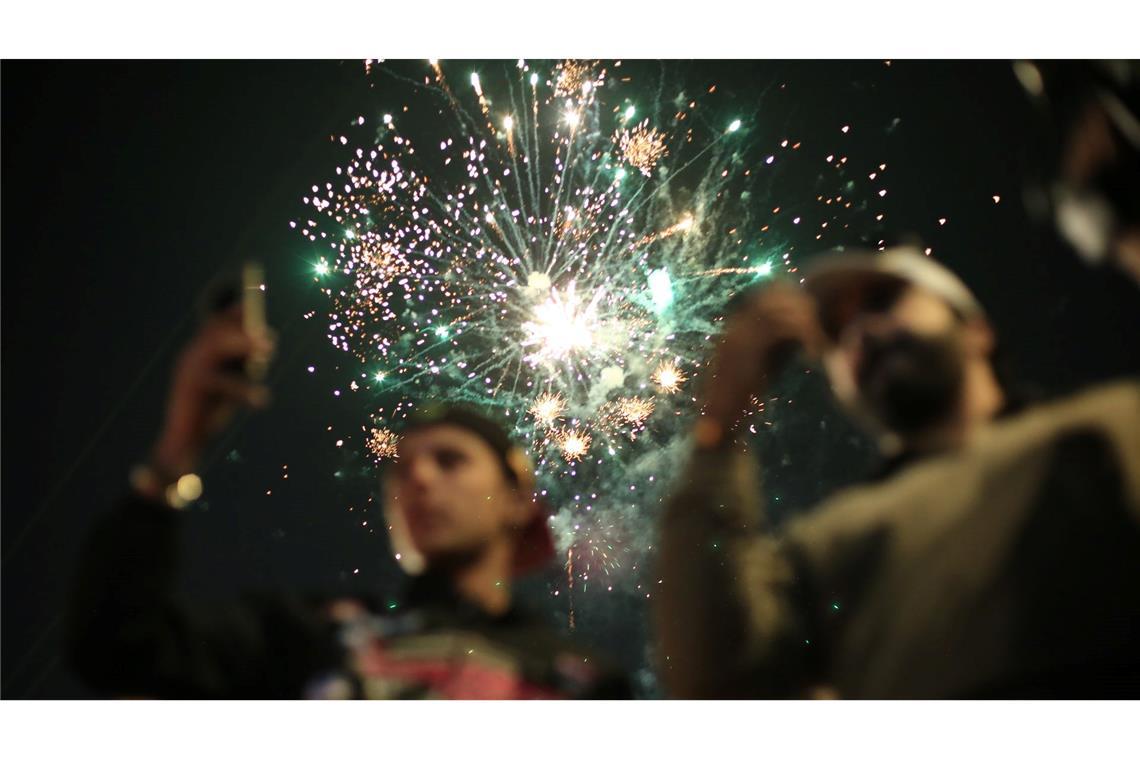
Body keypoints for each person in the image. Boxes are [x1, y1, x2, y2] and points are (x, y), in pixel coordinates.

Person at [66, 304, 629, 699]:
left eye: (450, 460)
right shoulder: (312, 634)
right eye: (400, 471)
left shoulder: (584, 684)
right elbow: (115, 646)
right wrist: (177, 451)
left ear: (516, 501)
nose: (420, 482)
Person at [657, 246, 1140, 698]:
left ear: (976, 329)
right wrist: (719, 428)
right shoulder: (823, 546)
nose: (861, 333)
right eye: (838, 332)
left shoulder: (1111, 429)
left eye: (884, 300)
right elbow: (716, 685)